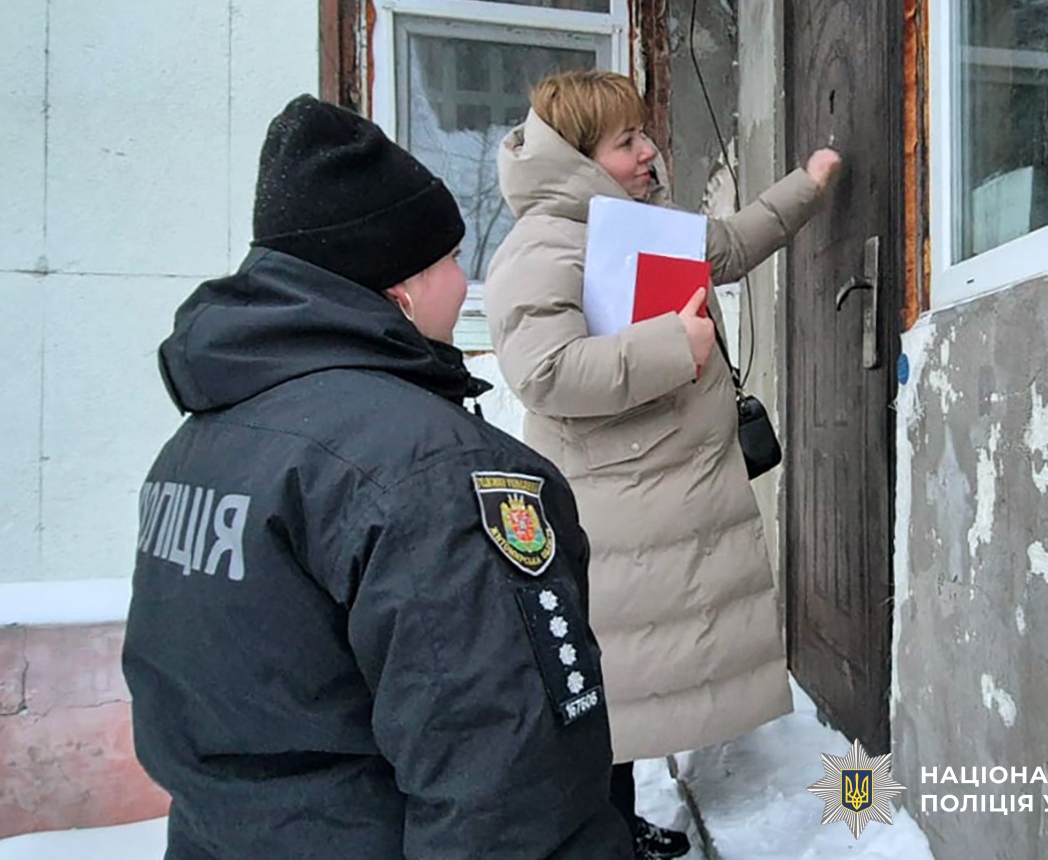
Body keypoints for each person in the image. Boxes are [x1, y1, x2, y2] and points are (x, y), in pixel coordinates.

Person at [122, 94, 633, 860]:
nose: (466, 283)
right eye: (453, 261)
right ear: (399, 287)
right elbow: (507, 785)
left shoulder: (201, 443)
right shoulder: (432, 471)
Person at [483, 70, 841, 859]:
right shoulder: (547, 239)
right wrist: (675, 350)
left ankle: (612, 829)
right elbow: (543, 370)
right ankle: (596, 839)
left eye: (645, 135)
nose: (650, 153)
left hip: (655, 496)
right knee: (608, 690)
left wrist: (808, 189)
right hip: (611, 509)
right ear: (579, 156)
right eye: (626, 142)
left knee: (630, 687)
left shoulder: (626, 220)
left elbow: (727, 247)